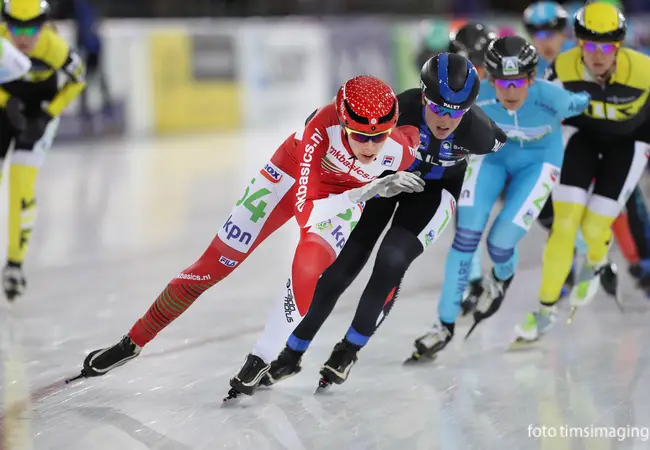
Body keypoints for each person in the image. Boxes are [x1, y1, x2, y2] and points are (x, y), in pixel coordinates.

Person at [71, 75, 425, 400]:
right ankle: (132, 342)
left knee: (308, 266)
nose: (370, 146)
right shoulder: (322, 126)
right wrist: (365, 192)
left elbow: (432, 143)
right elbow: (307, 210)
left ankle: (261, 358)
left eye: (379, 136)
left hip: (344, 197)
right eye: (360, 136)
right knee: (212, 266)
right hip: (292, 176)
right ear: (343, 124)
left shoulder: (401, 150)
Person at [260, 53, 506, 389]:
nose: (446, 120)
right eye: (438, 108)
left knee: (392, 260)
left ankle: (348, 350)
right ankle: (291, 354)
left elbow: (509, 145)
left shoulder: (481, 133)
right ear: (424, 97)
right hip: (385, 181)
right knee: (341, 265)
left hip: (435, 194)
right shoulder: (399, 108)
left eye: (457, 112)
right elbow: (338, 119)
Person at [408, 36, 591, 360]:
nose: (510, 91)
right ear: (489, 79)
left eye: (518, 81)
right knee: (466, 235)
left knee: (500, 243)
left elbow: (583, 101)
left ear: (532, 78)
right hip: (491, 161)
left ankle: (500, 278)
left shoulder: (553, 98)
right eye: (502, 82)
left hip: (538, 165)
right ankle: (444, 324)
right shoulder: (475, 97)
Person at [515, 2, 650, 342]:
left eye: (606, 47)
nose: (597, 56)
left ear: (619, 45)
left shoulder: (644, 70)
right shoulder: (563, 66)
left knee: (593, 227)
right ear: (578, 43)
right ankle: (544, 311)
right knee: (563, 226)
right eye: (590, 46)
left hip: (629, 143)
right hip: (582, 139)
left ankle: (595, 262)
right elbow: (535, 109)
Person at [1, 0, 86, 300]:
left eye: (31, 29)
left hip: (38, 116)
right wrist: (5, 101)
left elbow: (79, 80)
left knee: (21, 183)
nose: (23, 37)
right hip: (4, 110)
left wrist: (50, 113)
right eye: (16, 29)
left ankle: (15, 265)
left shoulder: (56, 49)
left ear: (44, 26)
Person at [523, 1, 574, 75]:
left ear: (563, 34)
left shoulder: (581, 56)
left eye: (550, 34)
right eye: (539, 35)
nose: (545, 42)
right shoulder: (529, 65)